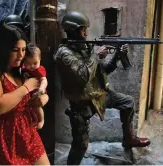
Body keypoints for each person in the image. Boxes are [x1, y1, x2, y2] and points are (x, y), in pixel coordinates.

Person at [54, 11, 151, 165]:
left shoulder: (86, 48)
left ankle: (128, 139)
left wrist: (116, 57)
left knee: (128, 102)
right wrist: (96, 56)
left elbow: (103, 70)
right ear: (72, 30)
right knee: (81, 145)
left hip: (99, 95)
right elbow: (83, 76)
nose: (86, 32)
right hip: (82, 103)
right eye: (82, 29)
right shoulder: (64, 54)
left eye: (86, 29)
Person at [0, 20, 50, 165]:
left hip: (26, 131)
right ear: (3, 48)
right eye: (15, 50)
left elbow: (41, 87)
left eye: (23, 50)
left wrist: (43, 98)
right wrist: (26, 88)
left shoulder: (21, 69)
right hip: (0, 136)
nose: (21, 55)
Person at [22, 43, 48, 129]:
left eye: (35, 63)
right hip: (27, 92)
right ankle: (34, 121)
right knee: (30, 108)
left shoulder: (39, 69)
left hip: (37, 92)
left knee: (37, 107)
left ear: (40, 59)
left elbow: (44, 80)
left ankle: (41, 120)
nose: (32, 66)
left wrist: (41, 89)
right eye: (28, 63)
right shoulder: (23, 69)